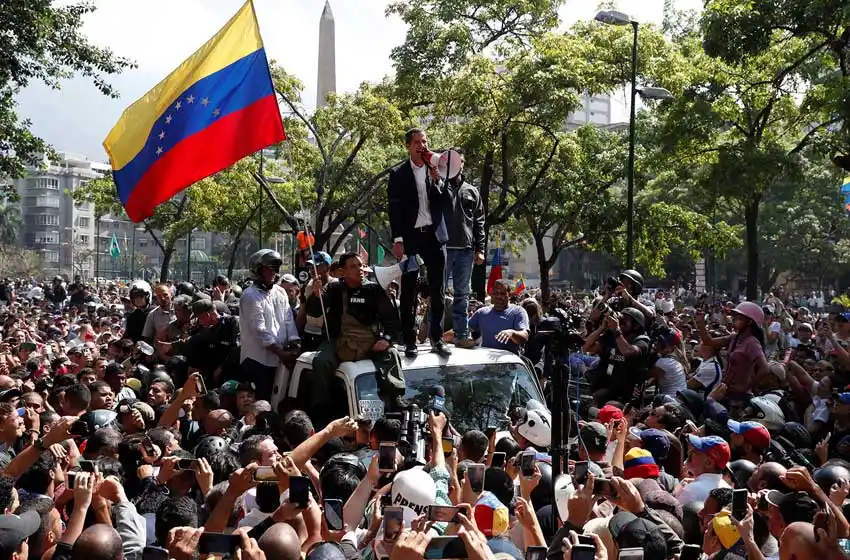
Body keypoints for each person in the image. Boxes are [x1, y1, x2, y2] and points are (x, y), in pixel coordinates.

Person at [308, 253, 405, 425]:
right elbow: (315, 311)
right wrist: (316, 295)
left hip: (369, 343)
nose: (359, 269)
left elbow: (392, 320)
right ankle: (321, 410)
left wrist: (386, 339)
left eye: (360, 265)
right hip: (338, 341)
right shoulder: (334, 289)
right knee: (322, 362)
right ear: (342, 271)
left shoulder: (374, 290)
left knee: (391, 355)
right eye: (353, 266)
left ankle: (395, 400)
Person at [387, 127, 452, 358]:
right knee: (409, 290)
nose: (422, 146)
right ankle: (409, 340)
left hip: (434, 236)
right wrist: (398, 239)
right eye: (417, 142)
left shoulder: (435, 169)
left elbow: (447, 201)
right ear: (408, 146)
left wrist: (439, 181)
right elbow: (394, 209)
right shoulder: (398, 174)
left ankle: (437, 338)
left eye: (425, 141)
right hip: (411, 237)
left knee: (437, 290)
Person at [239, 250, 300, 400]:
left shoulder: (280, 292)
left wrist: (295, 343)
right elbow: (260, 330)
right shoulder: (250, 296)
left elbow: (288, 320)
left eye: (276, 268)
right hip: (257, 361)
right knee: (260, 404)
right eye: (270, 268)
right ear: (258, 269)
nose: (274, 272)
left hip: (279, 361)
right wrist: (282, 353)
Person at [443, 149, 485, 346]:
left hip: (466, 250)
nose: (454, 165)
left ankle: (461, 335)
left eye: (457, 161)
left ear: (462, 164)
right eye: (449, 162)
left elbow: (479, 222)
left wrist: (480, 249)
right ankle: (436, 335)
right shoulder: (438, 187)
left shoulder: (472, 191)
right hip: (441, 248)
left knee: (462, 294)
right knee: (437, 293)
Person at [457, 280, 530, 354]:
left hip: (509, 362)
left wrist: (512, 333)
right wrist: (463, 340)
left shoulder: (518, 312)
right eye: (496, 293)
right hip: (486, 362)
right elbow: (462, 330)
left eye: (502, 293)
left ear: (509, 295)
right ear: (491, 295)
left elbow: (525, 336)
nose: (498, 296)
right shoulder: (482, 313)